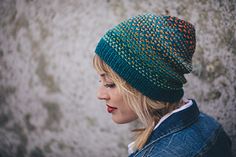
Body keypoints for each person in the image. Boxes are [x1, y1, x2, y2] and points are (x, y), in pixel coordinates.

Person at [93, 13, 233, 157]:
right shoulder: (210, 126)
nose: (100, 95)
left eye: (110, 84)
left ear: (149, 85)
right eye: (100, 81)